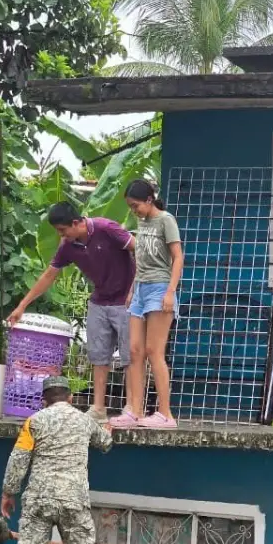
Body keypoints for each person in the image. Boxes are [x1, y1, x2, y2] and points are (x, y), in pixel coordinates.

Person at [7, 202, 136, 422]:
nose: (61, 235)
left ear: (76, 223)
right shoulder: (68, 245)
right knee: (98, 356)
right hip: (99, 301)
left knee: (130, 356)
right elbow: (49, 275)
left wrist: (135, 289)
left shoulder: (106, 228)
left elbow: (139, 249)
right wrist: (22, 305)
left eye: (62, 230)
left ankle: (131, 408)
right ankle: (99, 408)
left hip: (126, 301)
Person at [0, 376, 113, 544]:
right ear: (70, 398)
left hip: (39, 500)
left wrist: (8, 493)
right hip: (74, 500)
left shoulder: (34, 421)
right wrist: (107, 432)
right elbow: (105, 443)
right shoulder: (84, 420)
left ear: (44, 401)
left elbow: (18, 459)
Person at [110, 179, 184, 429]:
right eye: (131, 207)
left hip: (160, 288)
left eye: (136, 206)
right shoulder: (141, 223)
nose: (134, 211)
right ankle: (135, 410)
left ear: (149, 200)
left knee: (154, 351)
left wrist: (170, 292)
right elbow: (141, 260)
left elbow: (178, 257)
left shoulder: (166, 220)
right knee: (134, 351)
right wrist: (132, 290)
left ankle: (165, 414)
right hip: (140, 289)